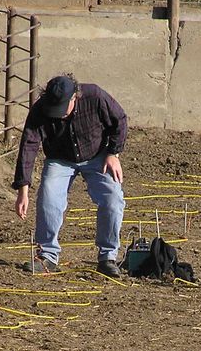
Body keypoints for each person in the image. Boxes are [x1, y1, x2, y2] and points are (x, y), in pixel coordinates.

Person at [12, 74, 127, 277]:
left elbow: (119, 120)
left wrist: (112, 153)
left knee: (113, 199)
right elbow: (28, 147)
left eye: (63, 108)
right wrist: (23, 190)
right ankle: (47, 256)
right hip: (59, 159)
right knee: (49, 199)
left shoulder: (95, 96)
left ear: (75, 97)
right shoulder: (41, 109)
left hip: (97, 155)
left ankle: (108, 257)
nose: (59, 115)